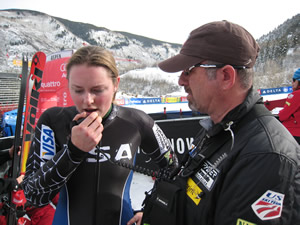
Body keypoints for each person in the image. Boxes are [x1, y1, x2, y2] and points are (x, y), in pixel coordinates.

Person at [142, 20, 300, 225]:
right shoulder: (219, 127)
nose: (181, 80)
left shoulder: (267, 155)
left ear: (226, 76)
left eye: (188, 70)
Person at [22, 45, 177, 225]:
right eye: (78, 90)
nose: (87, 100)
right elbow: (34, 196)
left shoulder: (137, 121)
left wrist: (152, 209)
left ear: (115, 85)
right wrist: (73, 152)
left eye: (97, 90)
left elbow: (174, 169)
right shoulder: (53, 120)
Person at [278, 68, 300, 144]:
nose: (292, 83)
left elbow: (282, 116)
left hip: (294, 134)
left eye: (294, 80)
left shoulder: (296, 95)